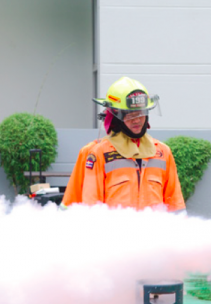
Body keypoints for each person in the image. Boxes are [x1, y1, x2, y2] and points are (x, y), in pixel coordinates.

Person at [63, 77, 185, 211]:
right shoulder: (99, 153)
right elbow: (91, 206)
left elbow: (175, 204)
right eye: (130, 115)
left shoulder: (163, 152)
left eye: (140, 113)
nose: (137, 120)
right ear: (116, 117)